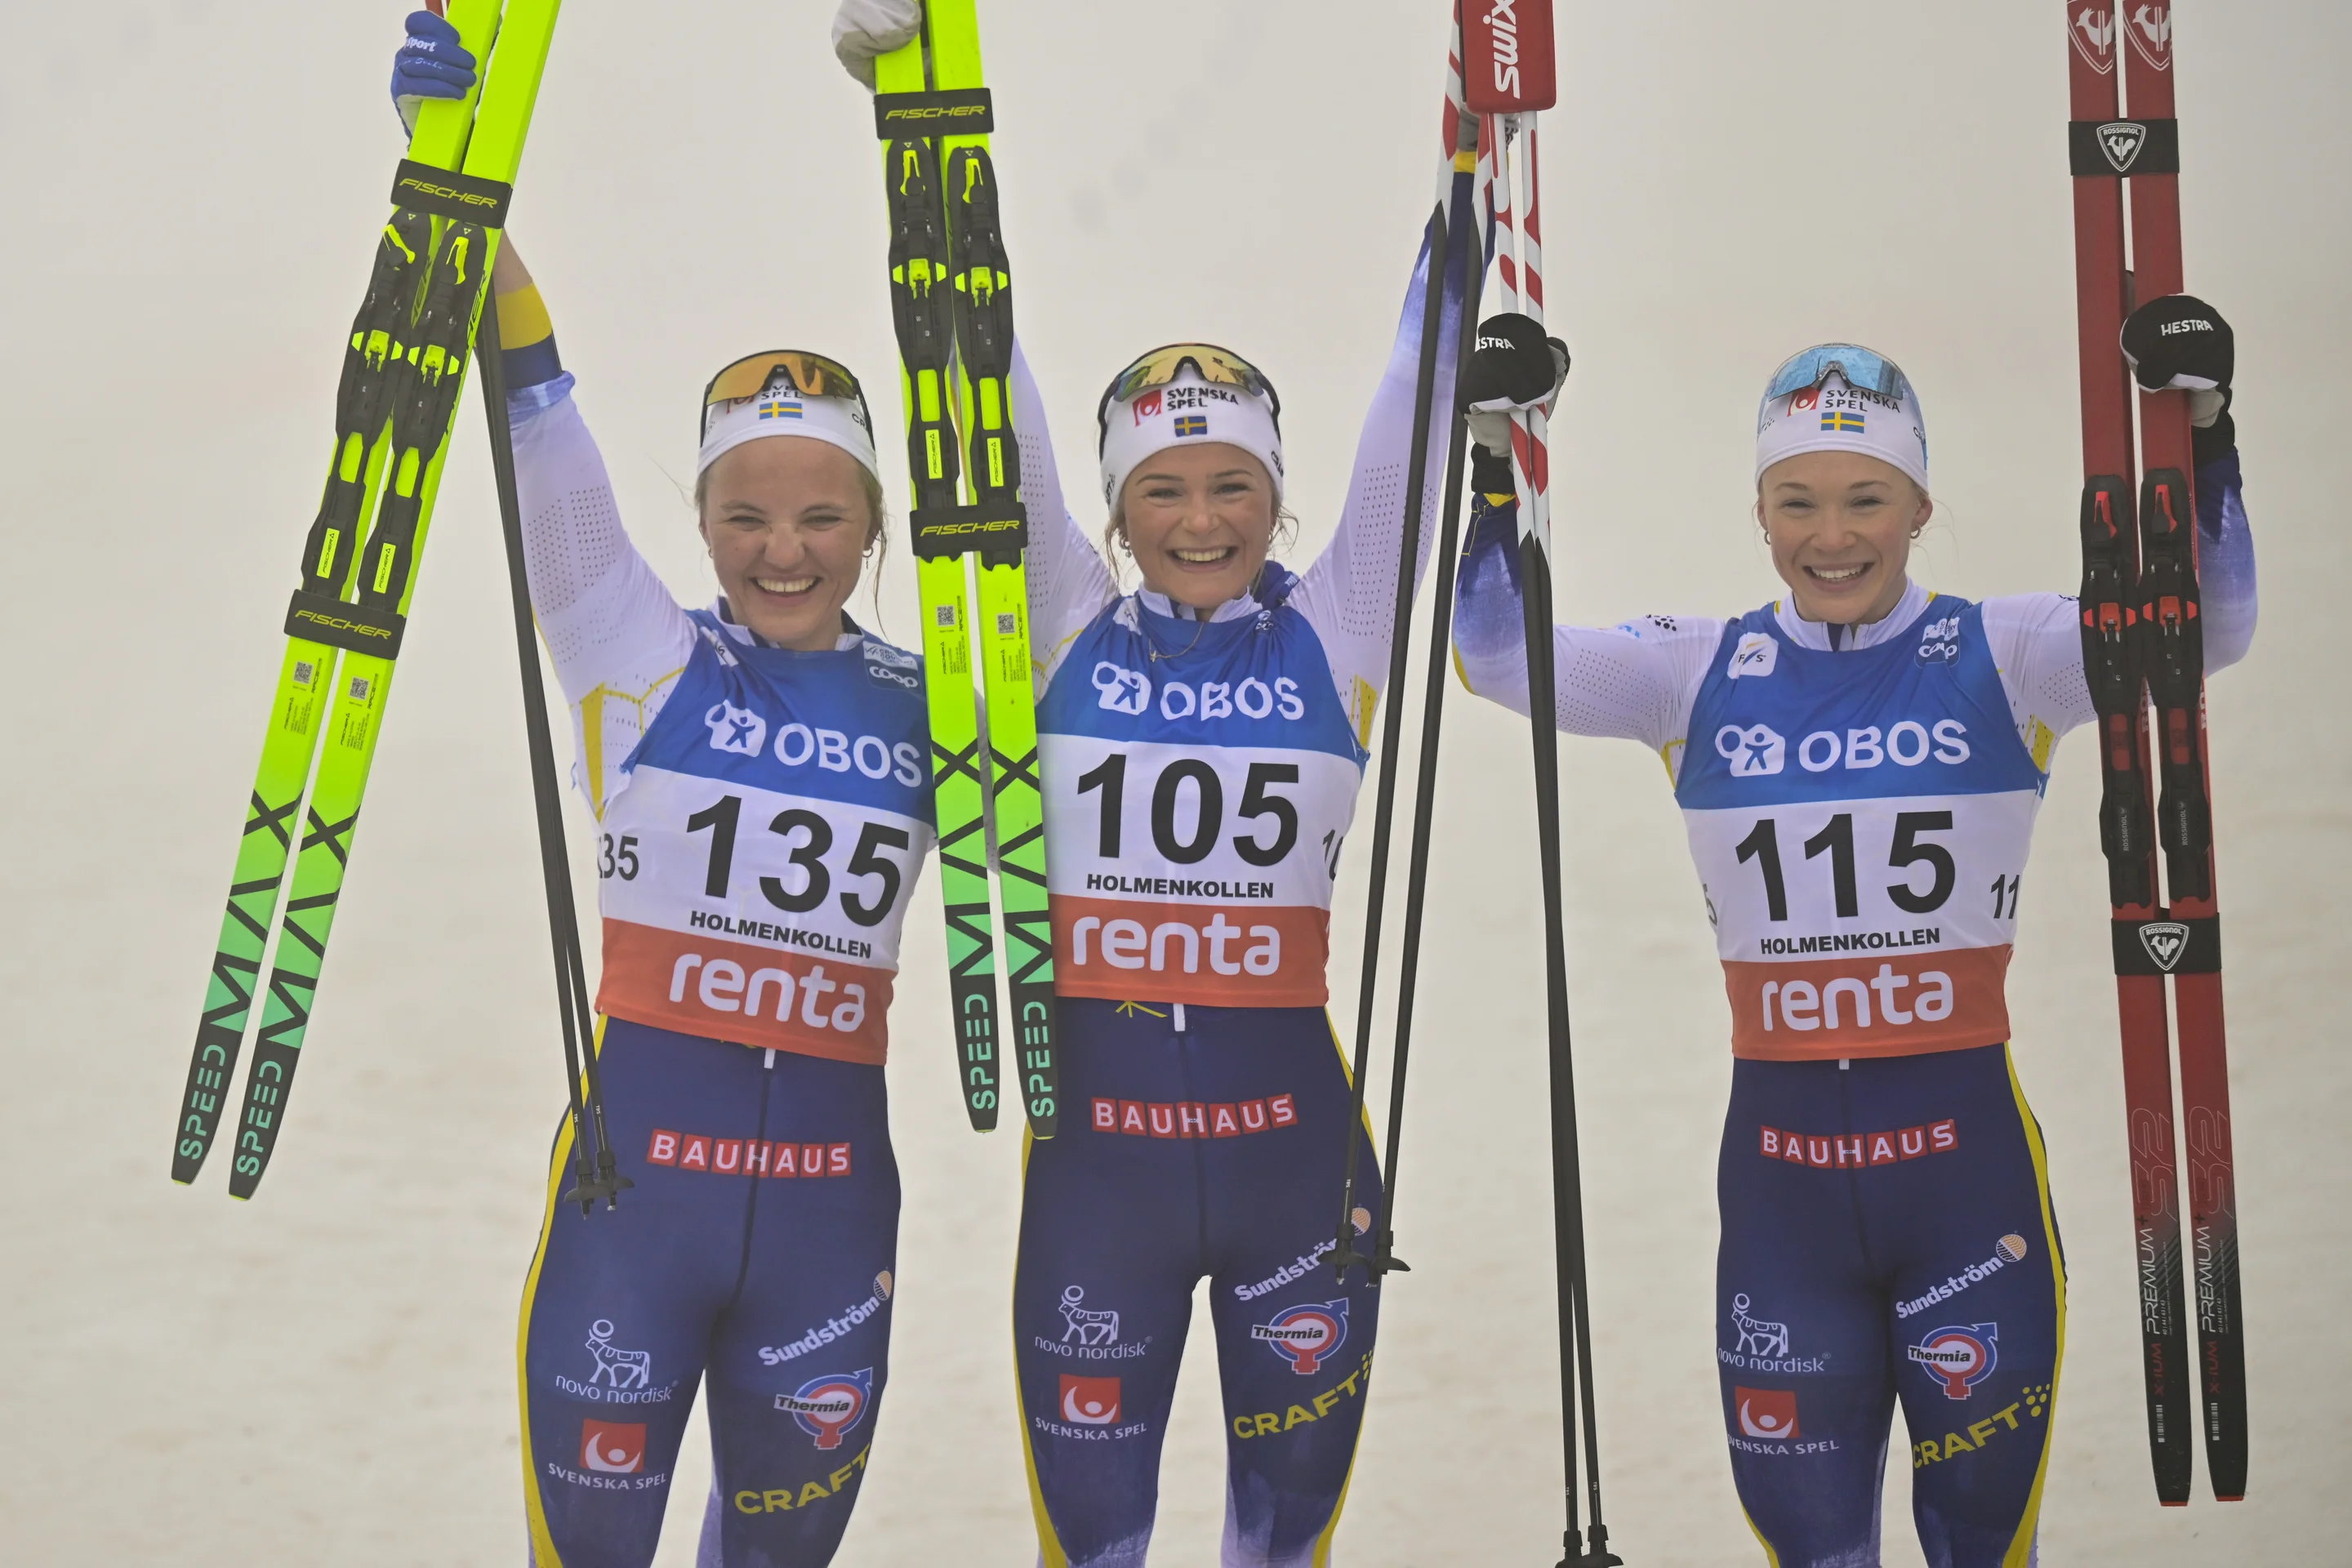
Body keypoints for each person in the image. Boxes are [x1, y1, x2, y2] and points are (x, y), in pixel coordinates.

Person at [1449, 304, 2259, 1564]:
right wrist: (1497, 456)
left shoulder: (2007, 655)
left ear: (1920, 506)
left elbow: (2207, 631)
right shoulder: (1695, 672)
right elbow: (1498, 658)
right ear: (1760, 515)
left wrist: (2204, 434)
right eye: (1799, 503)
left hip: (1967, 1193)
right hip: (1785, 1211)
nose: (1832, 537)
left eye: (1867, 500)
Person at [826, 6, 1481, 1561]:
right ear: (1117, 515)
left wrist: (1476, 156)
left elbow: (1418, 389)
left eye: (1233, 485)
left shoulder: (1342, 627)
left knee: (1285, 1544)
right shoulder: (1063, 628)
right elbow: (980, 374)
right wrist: (916, 117)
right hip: (1098, 1187)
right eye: (1163, 491)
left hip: (1295, 1168)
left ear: (1278, 495)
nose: (1201, 520)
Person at [395, 16, 935, 1565]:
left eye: (822, 516)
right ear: (699, 521)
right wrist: (445, 159)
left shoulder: (936, 702)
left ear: (872, 525)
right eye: (745, 515)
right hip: (634, 1221)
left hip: (831, 1222)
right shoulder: (633, 652)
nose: (784, 551)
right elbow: (534, 400)